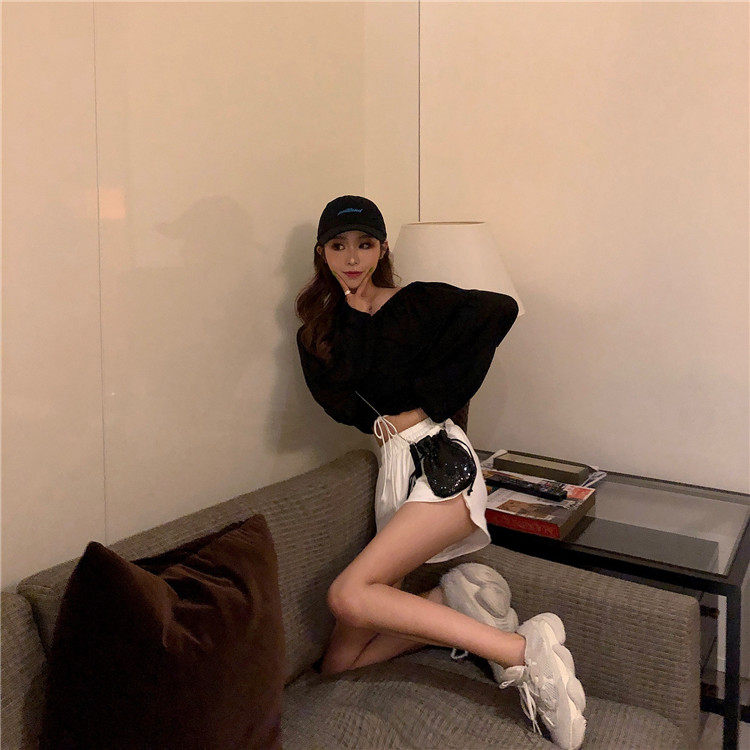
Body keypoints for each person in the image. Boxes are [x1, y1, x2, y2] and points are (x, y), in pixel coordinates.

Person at [295, 195, 587, 750]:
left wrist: (426, 405)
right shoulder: (322, 329)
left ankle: (521, 653)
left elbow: (499, 309)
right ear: (322, 253)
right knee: (337, 664)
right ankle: (449, 602)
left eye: (364, 244)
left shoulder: (417, 301)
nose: (352, 258)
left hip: (442, 464)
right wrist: (372, 405)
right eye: (338, 246)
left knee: (348, 594)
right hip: (395, 474)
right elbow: (339, 400)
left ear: (382, 248)